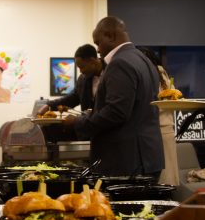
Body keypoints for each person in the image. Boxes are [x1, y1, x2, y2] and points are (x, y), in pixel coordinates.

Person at [64, 16, 165, 177]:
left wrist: (78, 122)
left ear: (110, 36)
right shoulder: (144, 60)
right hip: (147, 157)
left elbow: (116, 112)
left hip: (126, 160)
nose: (97, 50)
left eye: (98, 43)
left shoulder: (120, 62)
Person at [138, 47, 179, 186]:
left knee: (165, 173)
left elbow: (164, 99)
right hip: (163, 127)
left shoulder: (156, 72)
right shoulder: (160, 72)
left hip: (160, 127)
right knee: (166, 171)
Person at [37, 44, 104, 116]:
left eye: (82, 67)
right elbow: (72, 98)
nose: (81, 71)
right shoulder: (82, 79)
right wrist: (49, 105)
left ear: (92, 61)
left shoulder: (112, 73)